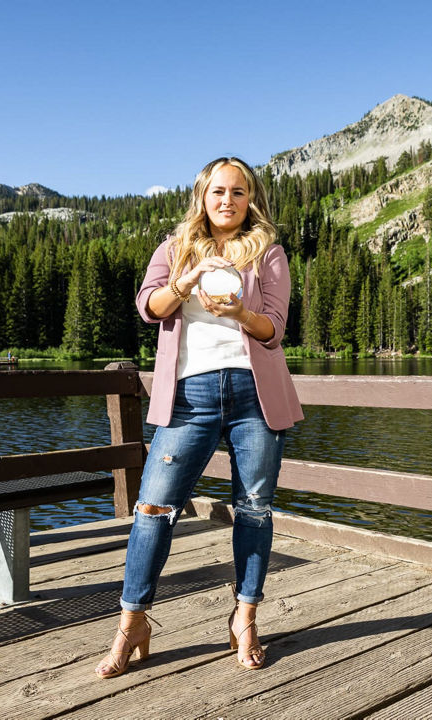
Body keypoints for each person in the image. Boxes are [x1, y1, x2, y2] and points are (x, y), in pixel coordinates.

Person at [95, 157, 302, 678]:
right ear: (202, 197)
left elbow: (274, 329)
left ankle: (246, 617)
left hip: (255, 395)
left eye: (238, 192)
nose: (227, 201)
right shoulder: (173, 248)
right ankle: (132, 623)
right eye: (218, 191)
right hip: (190, 396)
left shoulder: (268, 253)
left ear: (249, 199)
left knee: (254, 509)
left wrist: (238, 313)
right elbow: (150, 307)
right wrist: (187, 279)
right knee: (153, 510)